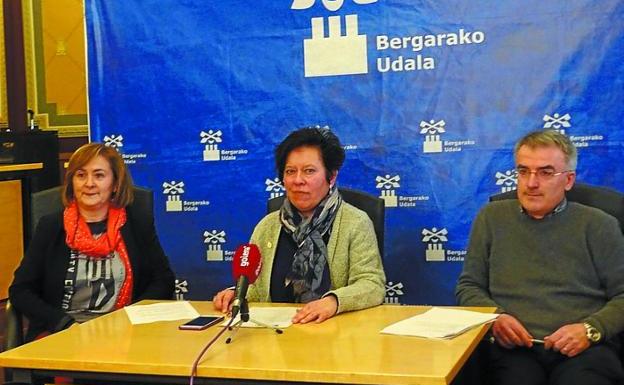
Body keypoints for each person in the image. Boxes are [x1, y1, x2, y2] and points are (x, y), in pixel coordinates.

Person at [456, 130, 624, 385]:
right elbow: (469, 286)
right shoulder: (491, 218)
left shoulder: (599, 225)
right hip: (512, 350)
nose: (531, 183)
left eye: (545, 173)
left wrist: (591, 330)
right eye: (523, 171)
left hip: (583, 348)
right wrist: (495, 318)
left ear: (568, 180)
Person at [213, 127, 385, 323]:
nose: (297, 180)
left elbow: (372, 284)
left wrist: (334, 302)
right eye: (290, 171)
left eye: (309, 171)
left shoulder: (355, 223)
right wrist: (235, 293)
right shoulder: (267, 226)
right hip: (274, 337)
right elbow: (256, 289)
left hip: (334, 337)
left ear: (332, 176)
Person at [10, 143, 175, 341]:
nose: (89, 183)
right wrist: (63, 323)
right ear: (72, 182)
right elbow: (21, 290)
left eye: (99, 175)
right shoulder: (52, 226)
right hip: (63, 332)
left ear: (115, 184)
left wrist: (130, 317)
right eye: (81, 175)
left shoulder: (136, 223)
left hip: (124, 332)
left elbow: (163, 280)